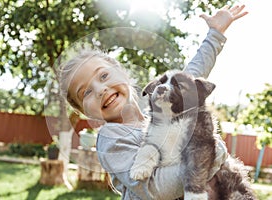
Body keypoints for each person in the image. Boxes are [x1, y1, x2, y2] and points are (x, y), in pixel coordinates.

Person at [61, 5, 248, 200]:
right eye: (86, 92)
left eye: (104, 75)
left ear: (123, 72)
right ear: (84, 111)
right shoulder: (111, 137)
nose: (100, 90)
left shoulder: (158, 106)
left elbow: (192, 74)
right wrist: (206, 158)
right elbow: (154, 188)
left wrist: (215, 34)